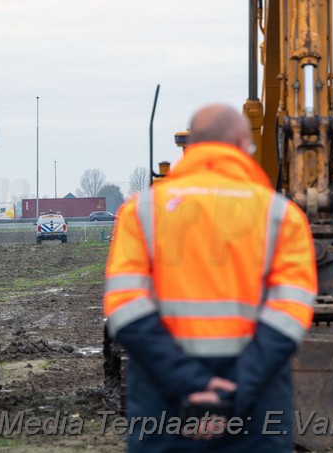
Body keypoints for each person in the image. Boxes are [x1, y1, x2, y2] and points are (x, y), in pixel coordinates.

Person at [103, 104, 317, 451]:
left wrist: (190, 385)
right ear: (242, 141)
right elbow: (290, 314)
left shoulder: (140, 212)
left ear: (193, 145)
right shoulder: (282, 215)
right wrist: (233, 392)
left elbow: (125, 308)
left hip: (163, 401)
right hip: (255, 406)